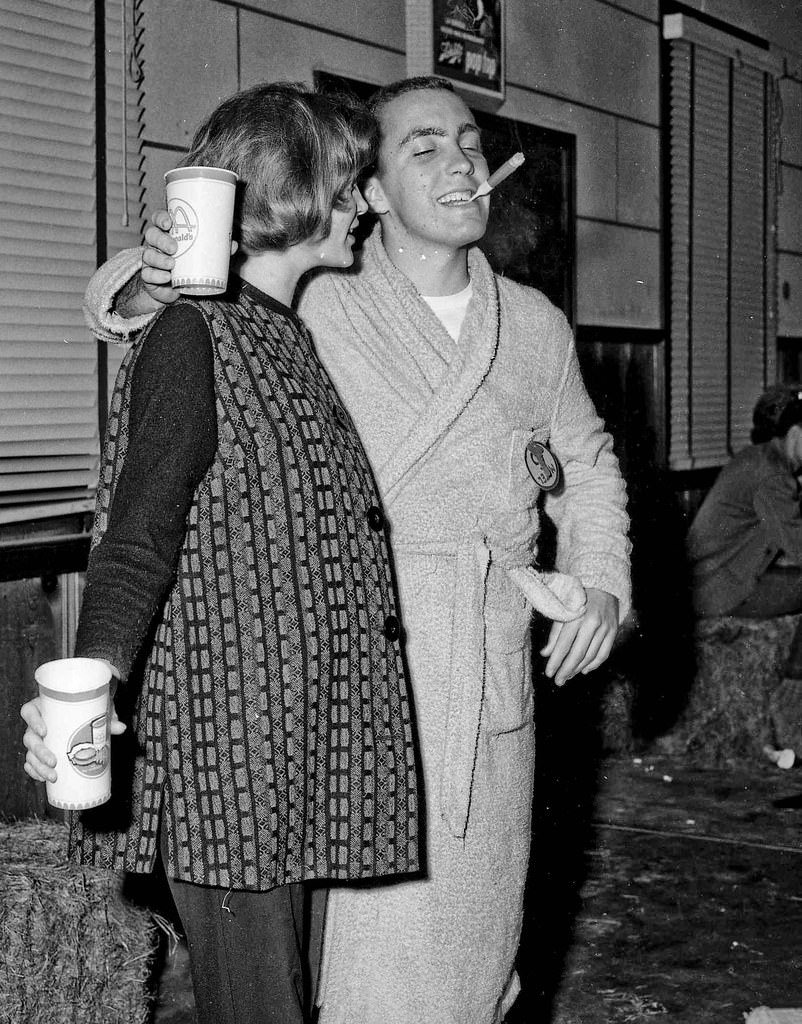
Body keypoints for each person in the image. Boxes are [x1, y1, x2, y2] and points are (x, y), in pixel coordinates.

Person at [29, 76, 631, 1023]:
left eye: (471, 142)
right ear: (368, 192)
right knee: (328, 981)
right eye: (422, 148)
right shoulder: (324, 294)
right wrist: (157, 269)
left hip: (476, 675)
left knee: (467, 963)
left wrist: (601, 583)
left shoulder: (536, 328)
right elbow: (168, 325)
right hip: (313, 703)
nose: (462, 162)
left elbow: (590, 464)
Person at [20, 81, 421, 1024]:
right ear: (294, 189)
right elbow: (136, 540)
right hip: (231, 764)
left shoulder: (284, 337)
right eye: (352, 181)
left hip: (301, 754)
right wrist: (93, 682)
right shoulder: (192, 335)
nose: (365, 202)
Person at [687, 386, 802, 752]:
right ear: (796, 433)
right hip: (719, 590)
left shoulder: (758, 460)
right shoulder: (771, 475)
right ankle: (792, 700)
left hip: (709, 580)